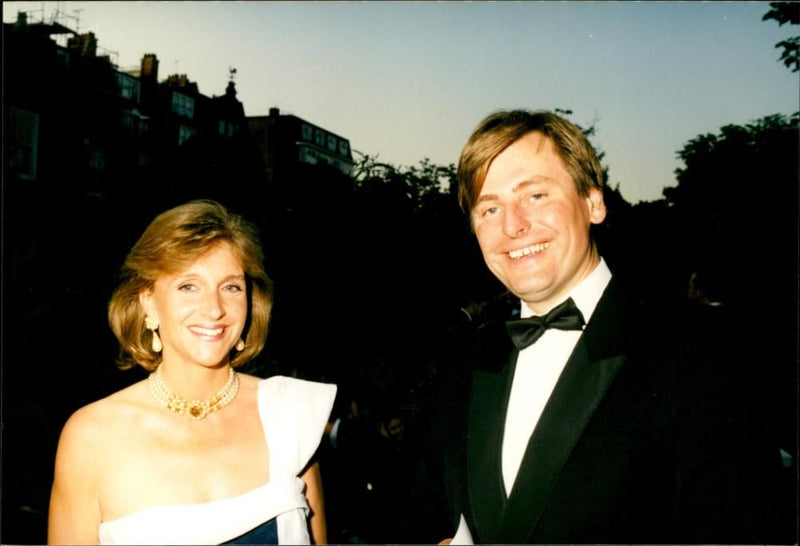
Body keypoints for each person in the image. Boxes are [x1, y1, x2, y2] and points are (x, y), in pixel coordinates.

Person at [442, 110, 784, 544]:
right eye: (489, 208)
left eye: (536, 196)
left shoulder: (702, 348)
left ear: (593, 203)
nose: (512, 225)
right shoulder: (467, 363)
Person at [48, 200, 336, 545]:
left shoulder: (289, 416)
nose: (214, 309)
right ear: (148, 301)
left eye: (231, 287)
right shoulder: (91, 437)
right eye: (189, 286)